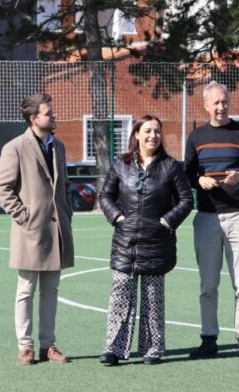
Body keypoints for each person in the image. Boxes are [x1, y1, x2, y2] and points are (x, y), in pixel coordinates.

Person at [98, 115, 193, 366]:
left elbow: (186, 200)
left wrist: (166, 222)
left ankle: (152, 349)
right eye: (148, 131)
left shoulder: (171, 166)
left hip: (157, 242)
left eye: (157, 131)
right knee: (120, 295)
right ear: (136, 134)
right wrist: (117, 217)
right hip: (124, 242)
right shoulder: (121, 163)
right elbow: (105, 195)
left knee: (153, 298)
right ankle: (114, 349)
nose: (153, 136)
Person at [184, 81, 239, 361]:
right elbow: (186, 175)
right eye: (216, 103)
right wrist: (199, 180)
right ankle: (209, 340)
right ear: (206, 105)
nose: (221, 107)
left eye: (224, 102)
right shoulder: (196, 137)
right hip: (207, 218)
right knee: (208, 285)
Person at [0, 93, 74, 366]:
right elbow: (2, 190)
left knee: (51, 292)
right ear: (33, 118)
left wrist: (67, 213)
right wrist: (25, 217)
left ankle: (48, 346)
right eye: (49, 113)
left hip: (57, 231)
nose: (54, 116)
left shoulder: (59, 146)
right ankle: (25, 347)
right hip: (30, 231)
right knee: (26, 290)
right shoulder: (14, 147)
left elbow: (63, 186)